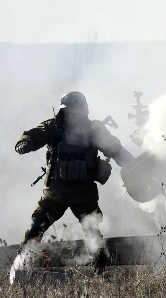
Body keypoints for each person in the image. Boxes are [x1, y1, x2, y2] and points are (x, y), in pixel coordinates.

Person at [14, 91, 137, 274]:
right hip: (55, 193)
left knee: (93, 232)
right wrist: (26, 143)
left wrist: (133, 164)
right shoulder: (53, 127)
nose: (75, 113)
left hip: (83, 193)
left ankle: (100, 272)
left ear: (85, 109)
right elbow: (29, 137)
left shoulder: (93, 130)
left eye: (79, 109)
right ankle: (21, 268)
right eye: (72, 109)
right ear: (65, 110)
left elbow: (115, 149)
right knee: (35, 229)